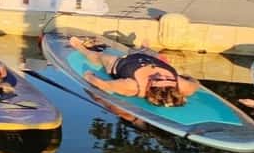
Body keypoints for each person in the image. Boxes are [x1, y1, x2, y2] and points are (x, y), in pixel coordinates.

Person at [69, 36, 200, 107]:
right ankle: (144, 49)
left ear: (150, 89)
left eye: (157, 79)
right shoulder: (184, 86)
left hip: (123, 63)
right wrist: (185, 76)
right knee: (154, 56)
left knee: (101, 57)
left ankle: (81, 48)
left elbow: (104, 85)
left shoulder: (133, 87)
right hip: (150, 60)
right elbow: (195, 82)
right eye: (164, 79)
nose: (159, 75)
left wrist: (89, 76)